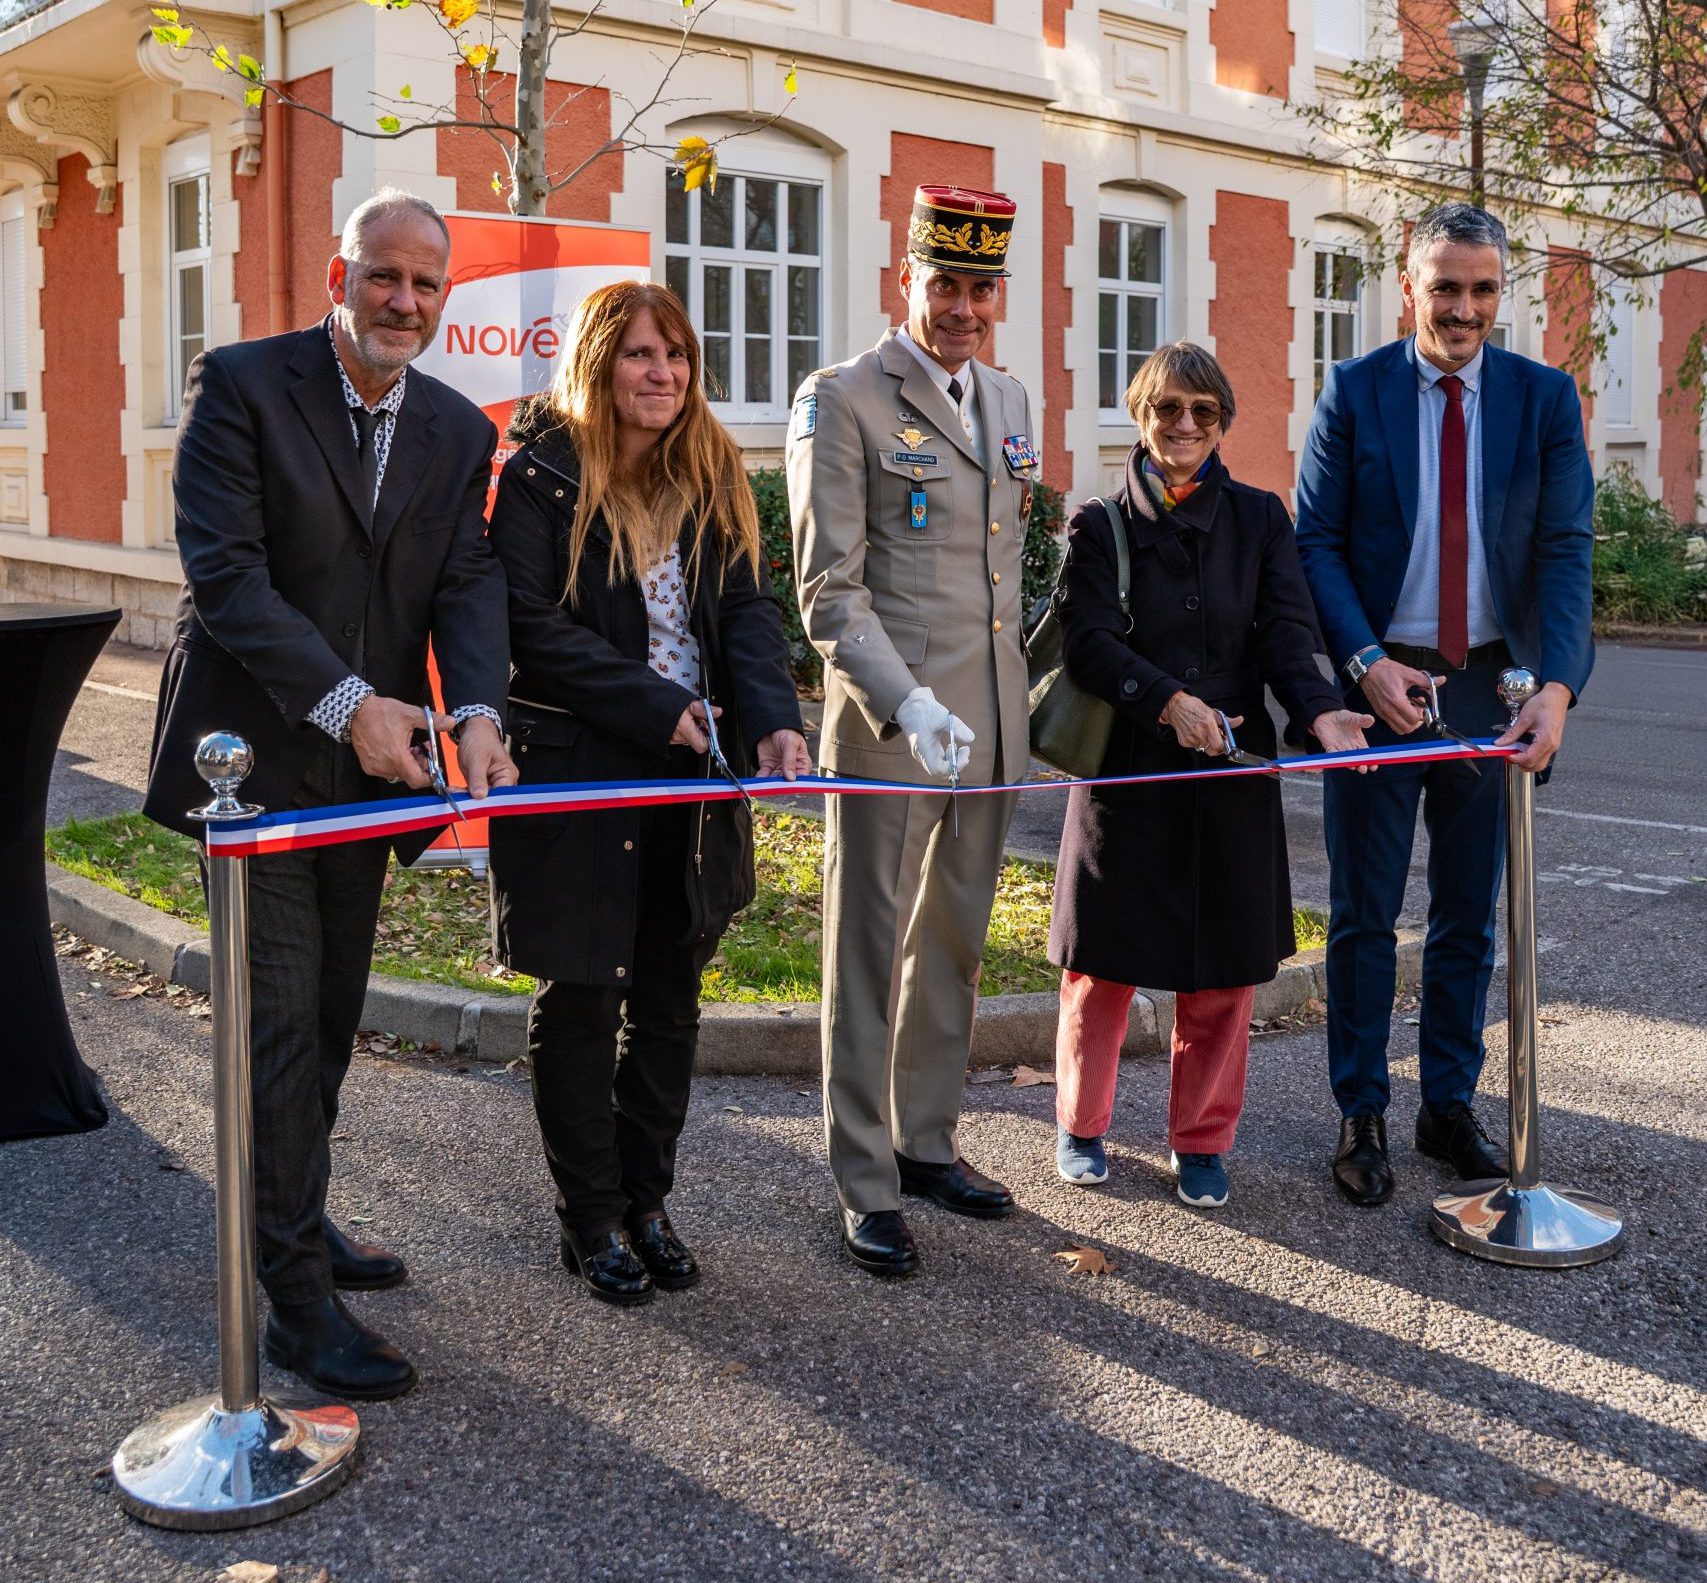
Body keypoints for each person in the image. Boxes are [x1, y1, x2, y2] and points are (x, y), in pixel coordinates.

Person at [144, 189, 516, 1398]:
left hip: (370, 778)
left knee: (332, 1012)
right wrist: (353, 703)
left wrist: (478, 708)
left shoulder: (455, 427)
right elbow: (227, 581)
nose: (403, 301)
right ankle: (295, 1303)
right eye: (382, 276)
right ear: (336, 277)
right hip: (251, 771)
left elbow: (464, 579)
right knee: (281, 1026)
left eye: (425, 283)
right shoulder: (241, 384)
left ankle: (294, 1211)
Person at [486, 282, 807, 1307]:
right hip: (579, 767)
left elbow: (748, 610)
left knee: (669, 999)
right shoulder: (539, 476)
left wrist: (773, 717)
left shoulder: (711, 468)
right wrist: (658, 704)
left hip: (695, 772)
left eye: (675, 353)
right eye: (638, 353)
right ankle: (589, 1217)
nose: (662, 372)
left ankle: (646, 1202)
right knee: (582, 996)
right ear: (597, 363)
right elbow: (529, 627)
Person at [1296, 202, 1595, 1207]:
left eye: (1481, 290)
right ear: (1408, 287)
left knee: (1469, 910)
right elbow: (1314, 542)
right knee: (1364, 912)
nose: (1462, 309)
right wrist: (1365, 663)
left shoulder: (1543, 398)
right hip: (1382, 681)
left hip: (1492, 685)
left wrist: (1557, 686)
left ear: (1498, 292)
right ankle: (1362, 1112)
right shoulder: (1354, 391)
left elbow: (1565, 550)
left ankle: (1447, 1104)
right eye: (1444, 288)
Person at [1047, 343, 1371, 1205]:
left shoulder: (1260, 518)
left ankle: (1200, 1139)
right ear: (1140, 415)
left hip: (1231, 773)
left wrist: (1319, 712)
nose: (1184, 424)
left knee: (1222, 973)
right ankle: (1081, 1123)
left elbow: (1287, 634)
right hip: (1127, 770)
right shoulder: (1096, 523)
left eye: (1202, 410)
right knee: (1100, 967)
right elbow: (1087, 645)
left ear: (1223, 421)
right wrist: (1167, 702)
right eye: (1167, 408)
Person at [787, 185, 1037, 1277]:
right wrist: (909, 699)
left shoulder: (1008, 394)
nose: (964, 308)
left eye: (982, 287)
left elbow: (1001, 568)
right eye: (945, 284)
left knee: (952, 944)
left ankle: (925, 1139)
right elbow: (828, 588)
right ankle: (864, 1176)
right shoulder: (842, 397)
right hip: (893, 727)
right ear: (907, 280)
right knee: (868, 949)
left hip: (989, 724)